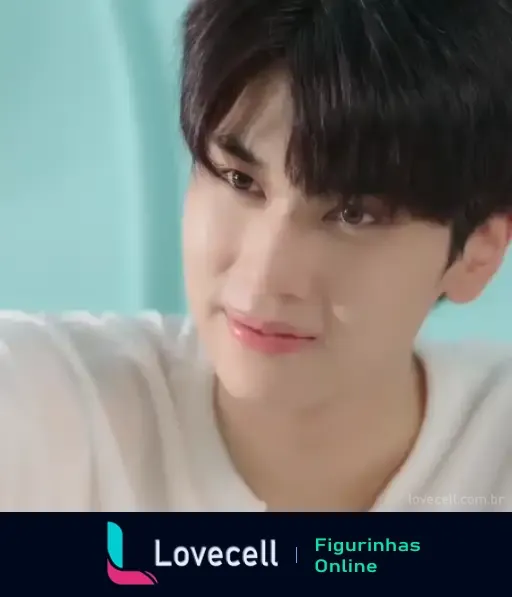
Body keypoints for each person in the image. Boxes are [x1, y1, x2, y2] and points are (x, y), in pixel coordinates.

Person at [2, 0, 512, 512]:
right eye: (239, 180)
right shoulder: (44, 409)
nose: (264, 278)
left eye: (353, 214)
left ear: (478, 251)